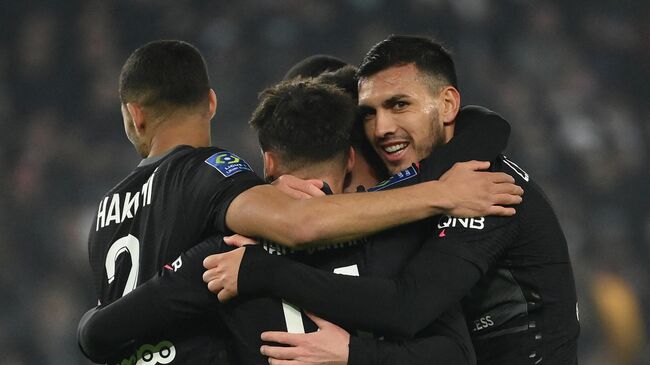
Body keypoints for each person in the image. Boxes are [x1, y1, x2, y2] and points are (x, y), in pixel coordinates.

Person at [81, 41, 523, 364]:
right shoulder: (400, 233)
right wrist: (442, 193)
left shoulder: (225, 257)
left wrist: (89, 329)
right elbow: (449, 350)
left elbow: (106, 330)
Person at [204, 35, 580, 365]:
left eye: (399, 105)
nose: (382, 128)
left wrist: (262, 272)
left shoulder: (484, 188)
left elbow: (407, 306)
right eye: (370, 113)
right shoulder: (434, 183)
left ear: (448, 105)